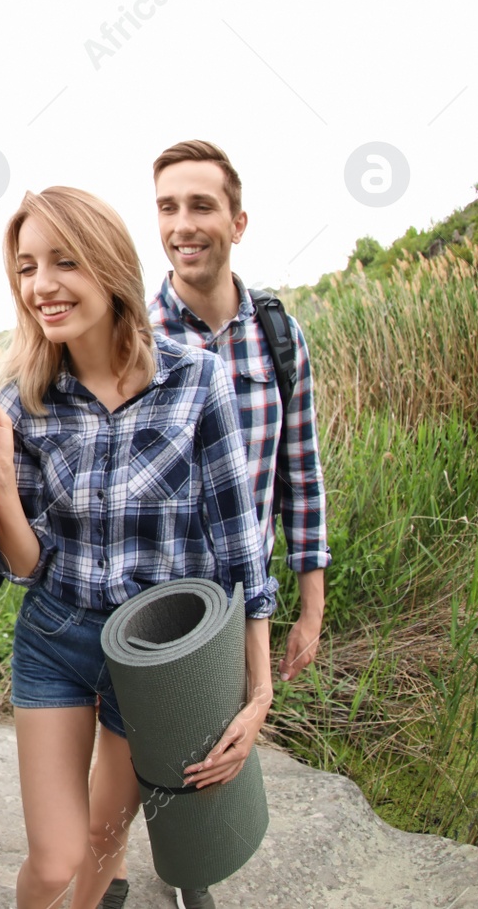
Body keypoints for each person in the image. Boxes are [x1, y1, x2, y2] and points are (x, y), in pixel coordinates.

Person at [0, 186, 275, 909]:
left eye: (64, 261)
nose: (42, 285)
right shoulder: (20, 398)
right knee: (55, 860)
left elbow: (241, 548)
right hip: (57, 639)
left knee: (106, 844)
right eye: (26, 267)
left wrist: (255, 689)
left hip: (156, 656)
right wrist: (0, 488)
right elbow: (26, 565)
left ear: (109, 265)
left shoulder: (197, 381)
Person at [93, 141, 333, 909]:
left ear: (238, 220)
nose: (182, 224)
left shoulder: (276, 335)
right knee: (127, 768)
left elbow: (302, 471)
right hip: (149, 604)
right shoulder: (133, 334)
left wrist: (311, 603)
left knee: (210, 758)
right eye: (167, 206)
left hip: (236, 604)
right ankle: (111, 879)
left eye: (200, 205)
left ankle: (189, 877)